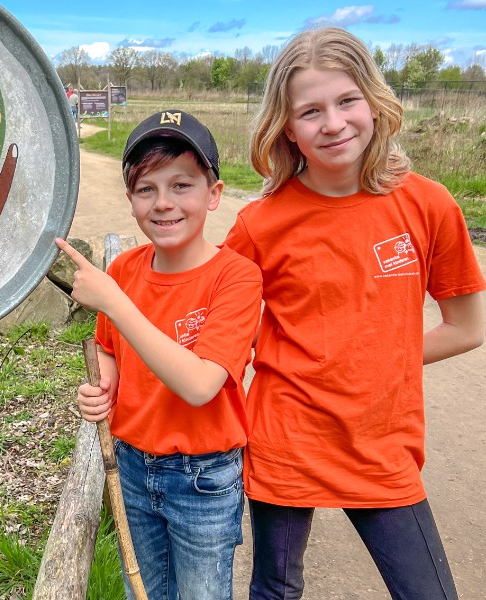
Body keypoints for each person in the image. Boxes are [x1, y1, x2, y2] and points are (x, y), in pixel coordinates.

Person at [221, 27, 486, 600]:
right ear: (286, 126)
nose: (334, 123)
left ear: (374, 101)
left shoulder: (429, 205)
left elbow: (468, 328)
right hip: (286, 440)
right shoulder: (260, 225)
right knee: (275, 589)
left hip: (381, 445)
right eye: (310, 111)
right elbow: (217, 336)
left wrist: (376, 357)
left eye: (346, 101)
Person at [56, 110, 263, 599]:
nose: (163, 203)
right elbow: (110, 346)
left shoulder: (235, 277)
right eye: (146, 188)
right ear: (130, 201)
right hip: (130, 463)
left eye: (182, 185)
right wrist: (101, 387)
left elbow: (199, 385)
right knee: (142, 591)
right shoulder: (126, 269)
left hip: (203, 478)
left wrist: (113, 301)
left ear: (213, 195)